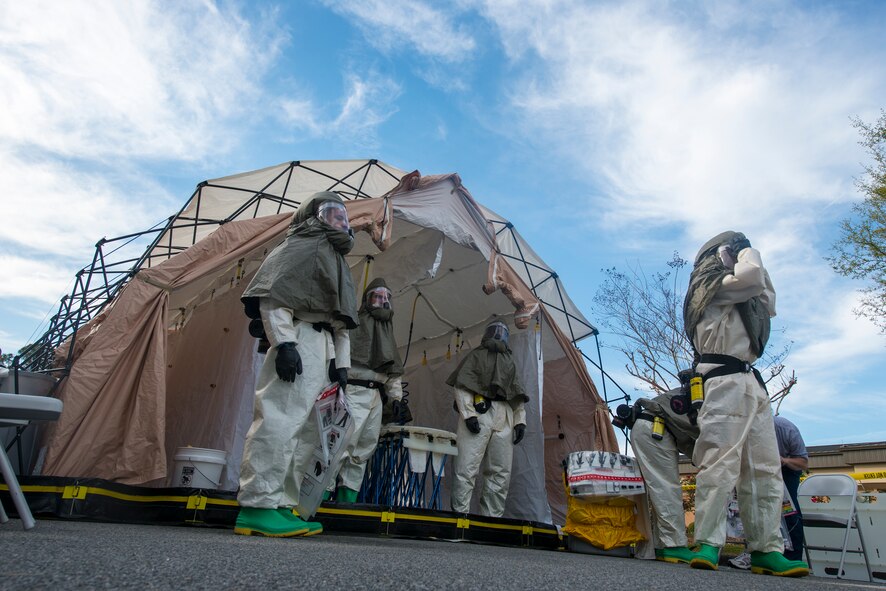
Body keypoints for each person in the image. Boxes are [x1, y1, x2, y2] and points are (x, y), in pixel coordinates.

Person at [682, 231, 808, 577]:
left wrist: (745, 256)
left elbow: (769, 299)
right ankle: (708, 541)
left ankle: (767, 548)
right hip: (722, 378)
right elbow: (753, 278)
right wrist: (747, 251)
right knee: (720, 461)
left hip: (751, 382)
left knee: (765, 470)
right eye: (732, 251)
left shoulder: (741, 295)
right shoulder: (711, 287)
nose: (739, 256)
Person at [235, 191, 358, 537]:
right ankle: (257, 505)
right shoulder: (300, 246)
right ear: (313, 216)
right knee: (279, 418)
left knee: (306, 430)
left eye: (342, 215)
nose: (340, 220)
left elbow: (340, 321)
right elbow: (275, 297)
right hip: (298, 337)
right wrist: (285, 343)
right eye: (331, 213)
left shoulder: (335, 259)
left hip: (321, 345)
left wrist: (340, 365)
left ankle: (281, 502)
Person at [331, 278, 405, 503]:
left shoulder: (387, 329)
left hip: (375, 396)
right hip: (354, 390)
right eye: (377, 296)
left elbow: (392, 370)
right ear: (368, 298)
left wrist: (396, 398)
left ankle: (346, 502)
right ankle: (321, 498)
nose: (382, 301)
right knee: (342, 445)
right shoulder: (356, 323)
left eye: (386, 297)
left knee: (363, 449)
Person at [447, 320, 527, 517]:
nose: (499, 335)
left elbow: (516, 394)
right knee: (466, 467)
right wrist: (468, 414)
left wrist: (519, 421)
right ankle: (460, 517)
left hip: (505, 415)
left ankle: (491, 520)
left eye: (502, 332)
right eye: (495, 331)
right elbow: (462, 385)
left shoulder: (510, 361)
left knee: (500, 473)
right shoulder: (476, 356)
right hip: (480, 412)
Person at [626, 373, 700, 565]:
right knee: (667, 488)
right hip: (655, 430)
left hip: (649, 428)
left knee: (659, 489)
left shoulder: (693, 391)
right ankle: (674, 546)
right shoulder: (706, 397)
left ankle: (662, 546)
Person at [774, 415, 808, 561]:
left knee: (789, 510)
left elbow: (803, 463)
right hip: (761, 469)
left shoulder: (785, 428)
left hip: (787, 469)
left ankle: (793, 557)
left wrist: (784, 460)